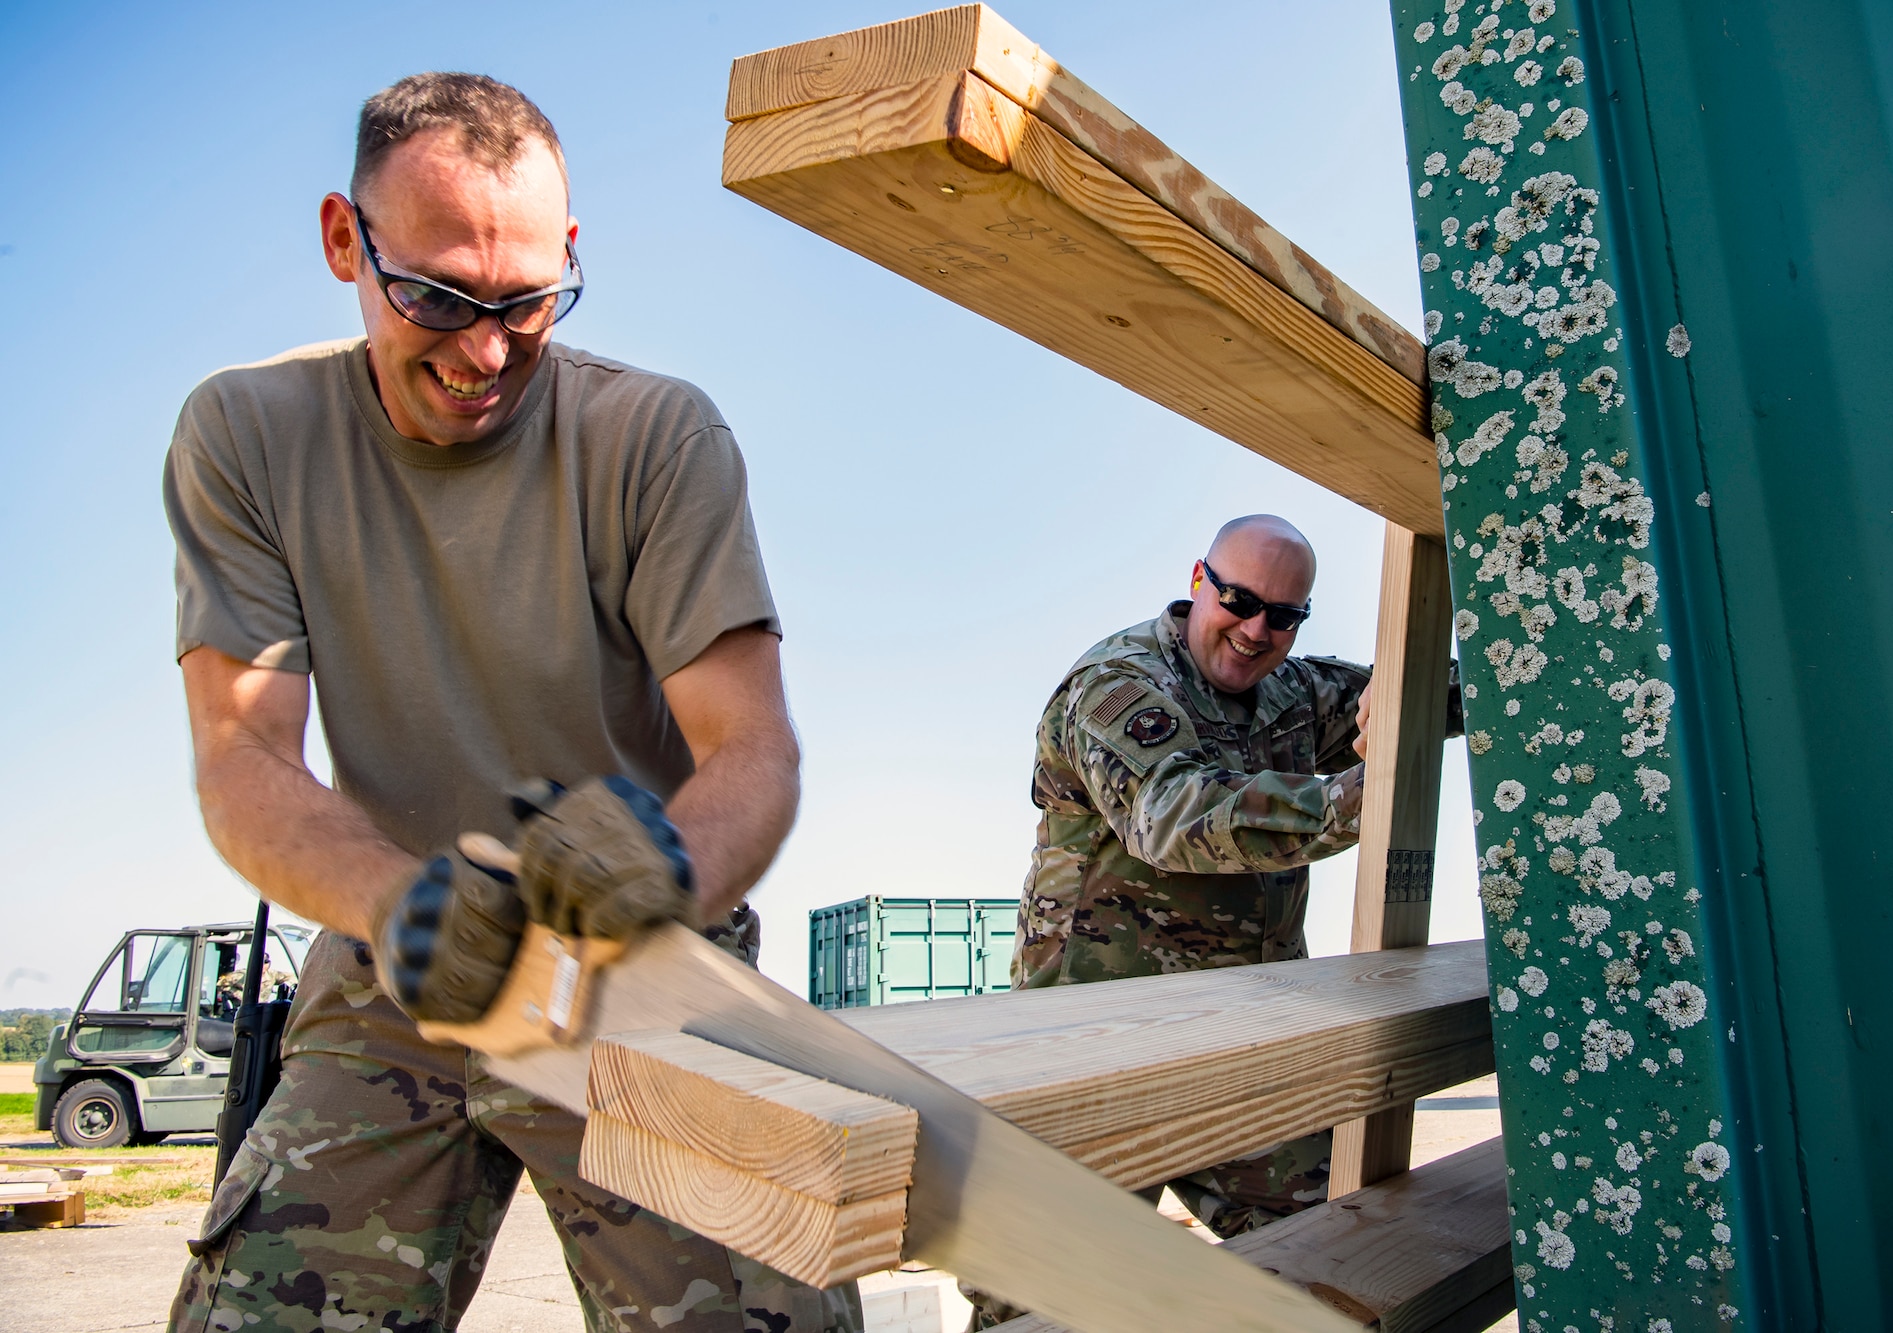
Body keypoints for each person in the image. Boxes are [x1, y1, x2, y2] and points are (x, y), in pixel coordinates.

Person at [163, 73, 856, 1333]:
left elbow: (752, 747)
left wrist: (667, 865)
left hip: (642, 959)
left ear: (570, 258)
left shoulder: (654, 437)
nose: (483, 352)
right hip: (396, 964)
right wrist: (396, 902)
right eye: (436, 295)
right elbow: (243, 753)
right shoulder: (248, 433)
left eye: (526, 302)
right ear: (343, 242)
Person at [970, 514, 1454, 1326]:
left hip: (1246, 1033)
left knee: (1329, 1247)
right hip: (1097, 1046)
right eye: (1239, 600)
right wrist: (1353, 799)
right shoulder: (1121, 685)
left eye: (1285, 614)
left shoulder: (1295, 691)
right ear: (1198, 580)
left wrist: (1509, 677)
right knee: (1041, 1296)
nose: (1258, 629)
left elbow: (1429, 692)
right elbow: (1170, 813)